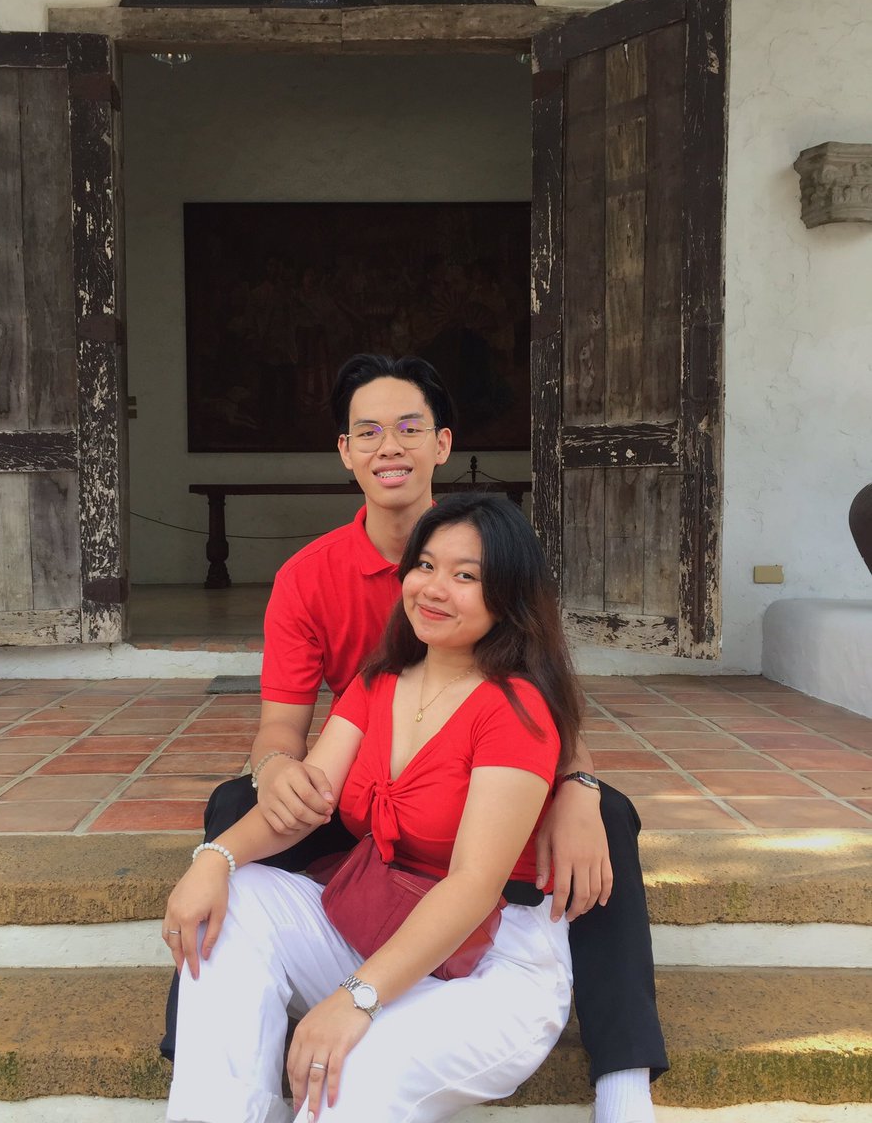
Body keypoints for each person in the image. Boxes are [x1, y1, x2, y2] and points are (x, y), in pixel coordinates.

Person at [161, 354, 668, 1123]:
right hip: (371, 813)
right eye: (368, 431)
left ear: (442, 443)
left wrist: (578, 786)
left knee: (607, 817)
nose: (388, 446)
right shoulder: (328, 602)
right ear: (345, 450)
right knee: (234, 821)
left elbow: (545, 700)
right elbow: (283, 731)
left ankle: (623, 1078)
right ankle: (210, 1078)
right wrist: (245, 814)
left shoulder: (509, 635)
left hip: (480, 873)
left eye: (408, 428)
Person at [164, 495, 579, 1121]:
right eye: (425, 566)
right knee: (233, 898)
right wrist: (213, 859)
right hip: (375, 924)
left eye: (466, 576)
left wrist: (354, 998)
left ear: (508, 596)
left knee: (348, 1068)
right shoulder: (380, 680)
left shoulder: (515, 708)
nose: (434, 589)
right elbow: (305, 804)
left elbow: (472, 885)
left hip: (490, 966)